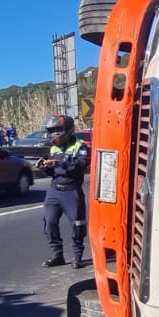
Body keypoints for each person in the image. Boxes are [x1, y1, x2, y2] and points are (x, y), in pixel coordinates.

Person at [39, 114, 89, 268]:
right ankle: (57, 255)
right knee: (50, 223)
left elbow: (79, 166)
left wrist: (60, 162)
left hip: (71, 191)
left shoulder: (80, 146)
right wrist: (45, 167)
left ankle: (77, 257)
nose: (55, 133)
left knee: (77, 225)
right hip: (54, 191)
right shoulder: (53, 148)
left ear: (67, 129)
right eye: (52, 130)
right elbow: (52, 172)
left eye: (58, 129)